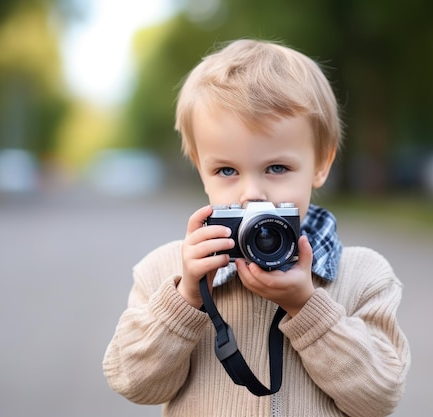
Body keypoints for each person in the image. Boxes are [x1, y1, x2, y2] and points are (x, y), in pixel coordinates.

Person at [103, 39, 410, 417]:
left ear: (321, 163)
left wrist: (307, 307)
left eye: (277, 168)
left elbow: (379, 397)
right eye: (227, 171)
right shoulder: (165, 272)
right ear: (201, 169)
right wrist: (186, 299)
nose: (252, 193)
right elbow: (135, 383)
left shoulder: (362, 276)